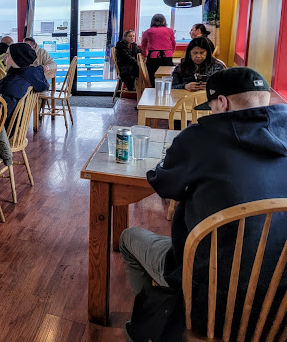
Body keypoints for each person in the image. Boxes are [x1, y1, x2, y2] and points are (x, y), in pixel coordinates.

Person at [120, 67, 287, 341]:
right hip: (279, 305)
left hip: (212, 298)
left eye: (210, 107)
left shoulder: (200, 137)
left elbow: (165, 185)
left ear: (222, 102)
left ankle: (162, 315)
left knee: (128, 239)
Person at [0, 43, 49, 126]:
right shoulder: (31, 77)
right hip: (18, 125)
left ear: (16, 59)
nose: (4, 59)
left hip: (3, 129)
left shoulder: (12, 84)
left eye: (8, 55)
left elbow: (1, 116)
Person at [140, 14, 176, 84]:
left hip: (153, 55)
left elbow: (143, 45)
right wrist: (171, 52)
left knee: (152, 75)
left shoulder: (148, 31)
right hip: (167, 55)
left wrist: (144, 55)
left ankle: (153, 88)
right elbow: (173, 43)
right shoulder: (169, 30)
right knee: (167, 75)